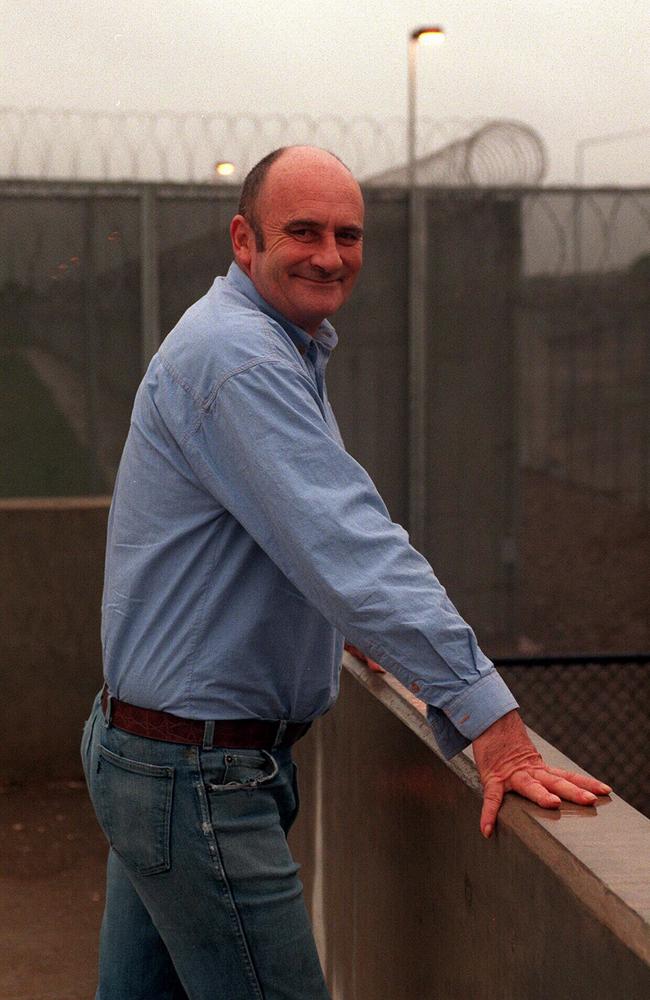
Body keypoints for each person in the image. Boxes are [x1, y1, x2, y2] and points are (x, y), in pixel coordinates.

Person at [81, 145, 610, 1000]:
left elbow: (281, 535)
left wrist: (349, 633)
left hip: (163, 760)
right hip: (198, 780)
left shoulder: (266, 341)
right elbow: (349, 546)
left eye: (349, 234)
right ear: (244, 239)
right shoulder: (243, 360)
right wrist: (492, 722)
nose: (331, 254)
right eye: (304, 231)